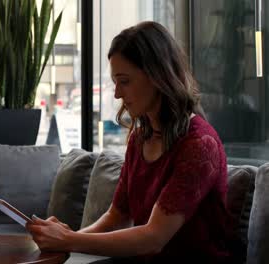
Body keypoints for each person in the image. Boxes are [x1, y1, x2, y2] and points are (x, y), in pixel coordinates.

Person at [27, 21, 243, 263]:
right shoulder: (140, 139)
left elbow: (153, 238)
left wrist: (67, 240)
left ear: (157, 76)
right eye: (115, 82)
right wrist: (63, 237)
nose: (117, 93)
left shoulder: (200, 145)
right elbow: (115, 217)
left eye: (125, 81)